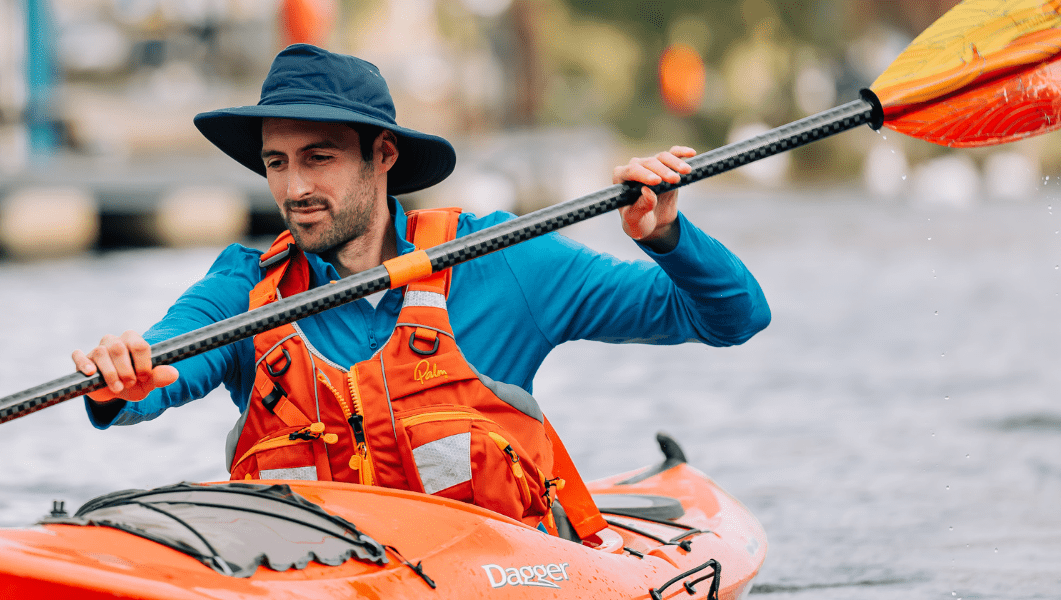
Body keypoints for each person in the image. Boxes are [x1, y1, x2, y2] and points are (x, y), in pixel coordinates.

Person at [72, 44, 769, 542]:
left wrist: (665, 234)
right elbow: (161, 366)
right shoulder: (241, 292)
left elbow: (732, 317)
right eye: (276, 163)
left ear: (383, 156)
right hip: (318, 578)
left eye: (319, 158)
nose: (293, 190)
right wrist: (122, 375)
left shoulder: (502, 261)